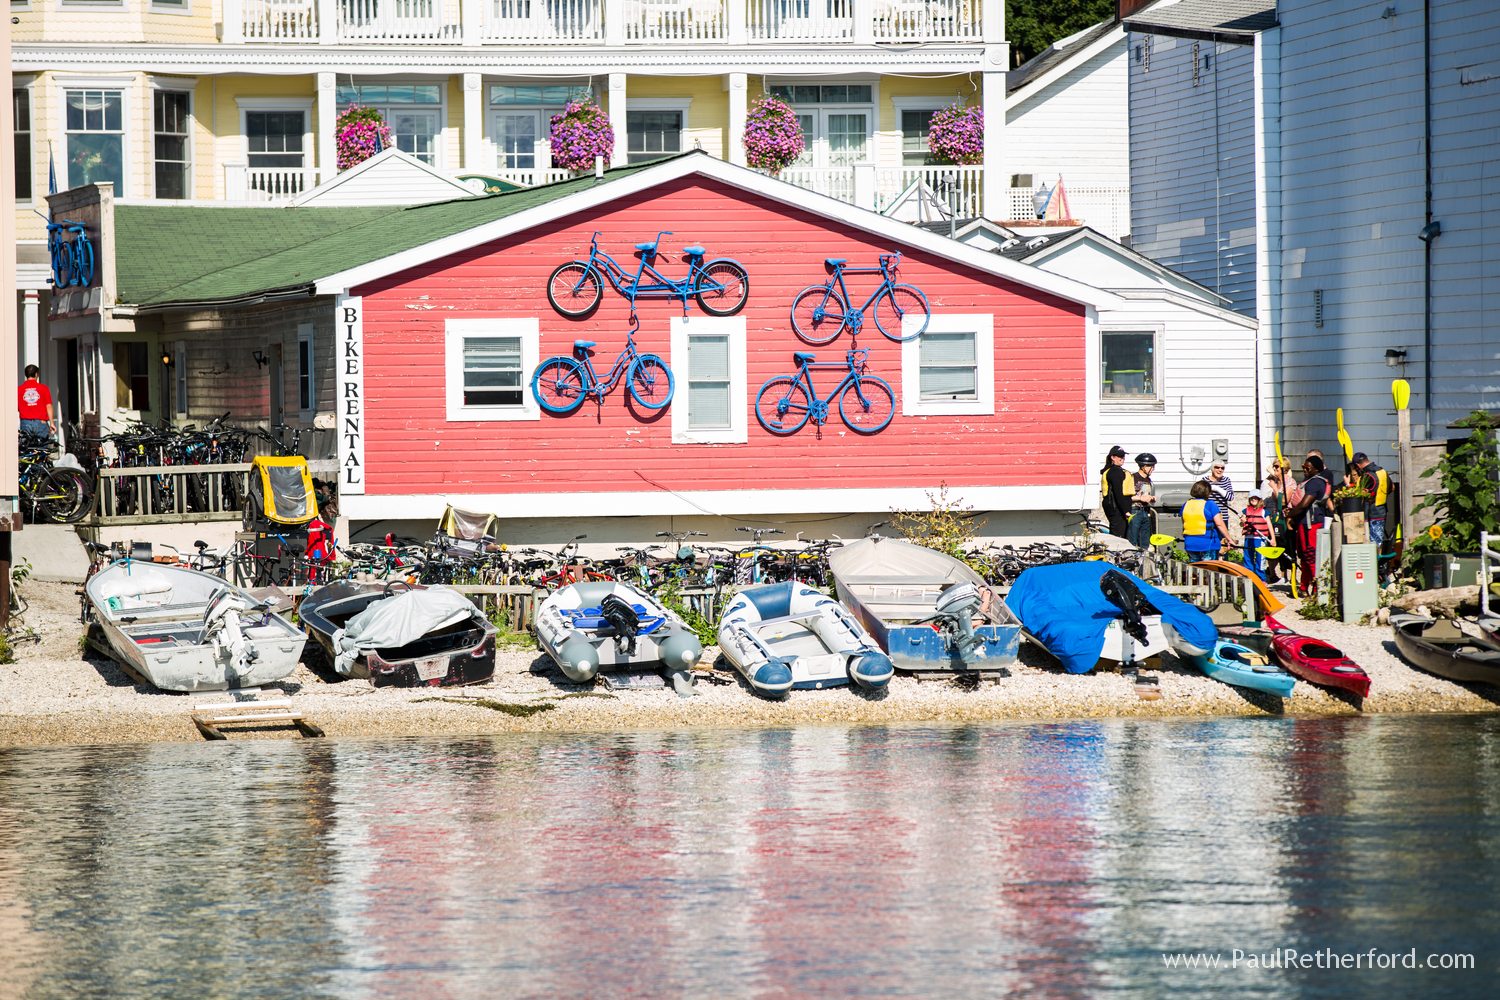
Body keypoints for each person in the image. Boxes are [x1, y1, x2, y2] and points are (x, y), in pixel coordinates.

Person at [1287, 455, 1334, 593]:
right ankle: (1303, 586)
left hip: (1312, 524)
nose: (1304, 469)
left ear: (1316, 469)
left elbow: (1304, 504)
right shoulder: (1309, 481)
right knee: (1304, 556)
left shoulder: (1316, 483)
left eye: (1307, 467)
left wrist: (1290, 515)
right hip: (1304, 522)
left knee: (1311, 555)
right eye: (1303, 467)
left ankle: (1317, 588)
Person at [1182, 480, 1232, 560]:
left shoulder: (1186, 504)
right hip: (1208, 544)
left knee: (1195, 567)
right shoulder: (1210, 504)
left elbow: (1184, 522)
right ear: (1208, 492)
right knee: (1209, 567)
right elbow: (1219, 524)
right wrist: (1229, 539)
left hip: (1190, 543)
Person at [1352, 451, 1390, 546]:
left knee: (1371, 545)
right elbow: (1392, 487)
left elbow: (1359, 495)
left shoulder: (1367, 476)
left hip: (1370, 513)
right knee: (1378, 543)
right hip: (1381, 511)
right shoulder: (1382, 472)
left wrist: (1349, 485)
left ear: (1358, 465)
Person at [1240, 489, 1277, 582]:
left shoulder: (1264, 512)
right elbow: (1241, 524)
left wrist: (1273, 539)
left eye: (1256, 498)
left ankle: (1261, 579)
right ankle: (1249, 577)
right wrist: (1242, 521)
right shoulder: (1245, 511)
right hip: (1249, 538)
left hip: (1260, 539)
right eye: (1252, 498)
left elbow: (1269, 525)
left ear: (1259, 499)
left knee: (1260, 559)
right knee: (1248, 557)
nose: (1253, 499)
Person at [1127, 452, 1158, 548]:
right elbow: (1126, 497)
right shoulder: (1133, 478)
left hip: (1145, 511)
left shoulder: (1148, 480)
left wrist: (1151, 498)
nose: (1153, 469)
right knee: (1132, 540)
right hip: (1135, 511)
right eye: (1151, 466)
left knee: (1145, 541)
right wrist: (1140, 498)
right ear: (1143, 466)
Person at [1099, 445, 1131, 538]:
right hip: (1115, 507)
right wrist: (1125, 511)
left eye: (1123, 456)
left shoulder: (1113, 470)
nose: (1123, 458)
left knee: (1119, 532)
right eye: (1120, 456)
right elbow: (1118, 493)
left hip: (1114, 506)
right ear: (1112, 457)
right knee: (1118, 535)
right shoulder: (1115, 472)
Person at [17, 364, 55, 441]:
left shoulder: (19, 389)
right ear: (36, 374)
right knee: (42, 446)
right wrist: (52, 423)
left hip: (25, 423)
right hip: (41, 422)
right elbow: (48, 406)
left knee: (27, 446)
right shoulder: (44, 388)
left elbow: (17, 408)